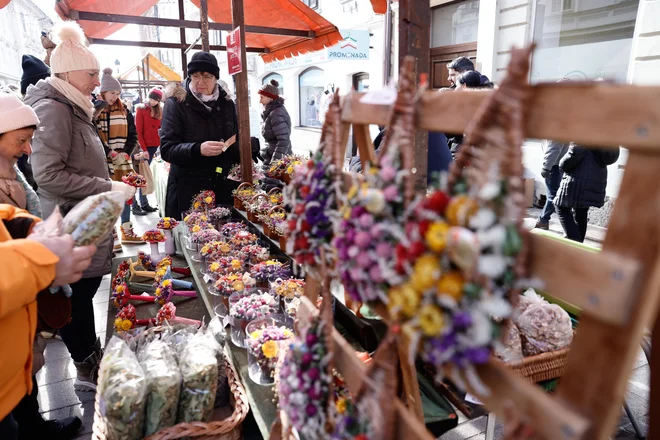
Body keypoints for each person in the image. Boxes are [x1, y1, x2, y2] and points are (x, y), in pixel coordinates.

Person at [24, 20, 136, 392]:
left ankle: (90, 356)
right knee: (76, 299)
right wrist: (107, 186)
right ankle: (87, 366)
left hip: (84, 221)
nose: (96, 80)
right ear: (68, 73)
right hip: (72, 225)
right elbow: (49, 176)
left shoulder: (72, 106)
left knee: (84, 295)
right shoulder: (56, 110)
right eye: (90, 73)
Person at [0, 93, 97, 440]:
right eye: (21, 141)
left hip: (16, 324)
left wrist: (32, 229)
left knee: (25, 376)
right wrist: (42, 262)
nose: (28, 150)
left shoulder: (10, 175)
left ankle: (33, 426)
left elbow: (14, 217)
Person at [160, 51, 240, 219]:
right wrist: (197, 149)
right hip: (188, 188)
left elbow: (233, 138)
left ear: (216, 78)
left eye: (207, 76)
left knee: (222, 240)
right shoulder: (175, 103)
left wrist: (246, 148)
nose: (200, 82)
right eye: (195, 76)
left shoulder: (227, 104)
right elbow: (167, 149)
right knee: (191, 239)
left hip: (221, 185)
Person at [96, 68, 144, 245]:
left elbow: (133, 134)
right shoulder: (96, 110)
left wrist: (125, 151)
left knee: (126, 194)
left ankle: (127, 230)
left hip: (123, 160)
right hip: (104, 160)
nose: (114, 96)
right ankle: (113, 235)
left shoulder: (124, 110)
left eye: (117, 93)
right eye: (111, 92)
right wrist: (109, 152)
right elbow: (93, 134)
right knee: (108, 197)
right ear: (103, 92)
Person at [554, 145, 620, 242]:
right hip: (596, 178)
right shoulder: (607, 134)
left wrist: (561, 164)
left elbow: (574, 152)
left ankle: (575, 242)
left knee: (560, 206)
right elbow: (611, 156)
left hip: (578, 178)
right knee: (581, 212)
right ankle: (579, 244)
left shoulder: (588, 131)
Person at [134, 87, 163, 213]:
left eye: (155, 100)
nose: (153, 101)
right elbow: (138, 132)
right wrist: (144, 149)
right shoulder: (141, 109)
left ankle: (144, 203)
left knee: (145, 176)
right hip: (144, 147)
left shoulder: (159, 110)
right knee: (141, 176)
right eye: (151, 98)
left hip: (155, 147)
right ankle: (139, 204)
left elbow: (161, 129)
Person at [535, 140, 570, 230]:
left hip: (553, 166)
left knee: (553, 197)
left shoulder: (556, 129)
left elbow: (554, 148)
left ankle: (543, 220)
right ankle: (544, 221)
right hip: (556, 166)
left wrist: (546, 167)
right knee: (555, 196)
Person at [259, 79, 292, 166]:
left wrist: (275, 163)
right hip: (271, 157)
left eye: (261, 97)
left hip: (279, 162)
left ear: (269, 97)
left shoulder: (276, 114)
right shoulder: (270, 112)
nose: (260, 101)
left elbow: (283, 141)